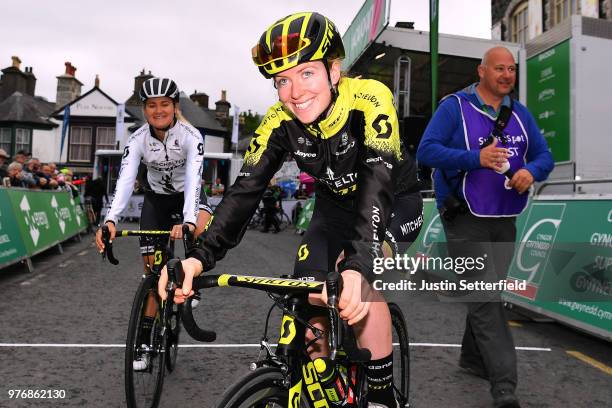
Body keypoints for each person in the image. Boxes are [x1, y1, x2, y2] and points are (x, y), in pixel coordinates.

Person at [158, 12, 423, 407]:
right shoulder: (280, 121)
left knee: (359, 285)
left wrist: (358, 263)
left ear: (334, 70)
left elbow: (377, 183)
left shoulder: (371, 100)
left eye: (307, 74)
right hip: (333, 209)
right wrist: (199, 259)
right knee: (308, 302)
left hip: (391, 204)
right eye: (283, 80)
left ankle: (383, 395)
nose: (294, 92)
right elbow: (244, 192)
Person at [416, 46, 554, 408]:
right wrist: (474, 158)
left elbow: (544, 155)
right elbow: (426, 151)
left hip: (504, 218)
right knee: (486, 300)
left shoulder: (519, 113)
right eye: (499, 69)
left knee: (485, 297)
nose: (507, 75)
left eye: (511, 69)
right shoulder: (454, 107)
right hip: (464, 219)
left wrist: (530, 171)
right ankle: (504, 386)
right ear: (481, 71)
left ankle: (472, 358)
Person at [95, 77, 205, 371]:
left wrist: (189, 221)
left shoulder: (191, 136)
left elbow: (195, 180)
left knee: (202, 228)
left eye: (164, 104)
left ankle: (192, 282)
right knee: (152, 273)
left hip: (188, 198)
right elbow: (126, 180)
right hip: (156, 200)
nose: (158, 110)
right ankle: (144, 341)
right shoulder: (137, 139)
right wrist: (111, 219)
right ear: (144, 109)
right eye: (152, 105)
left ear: (175, 107)